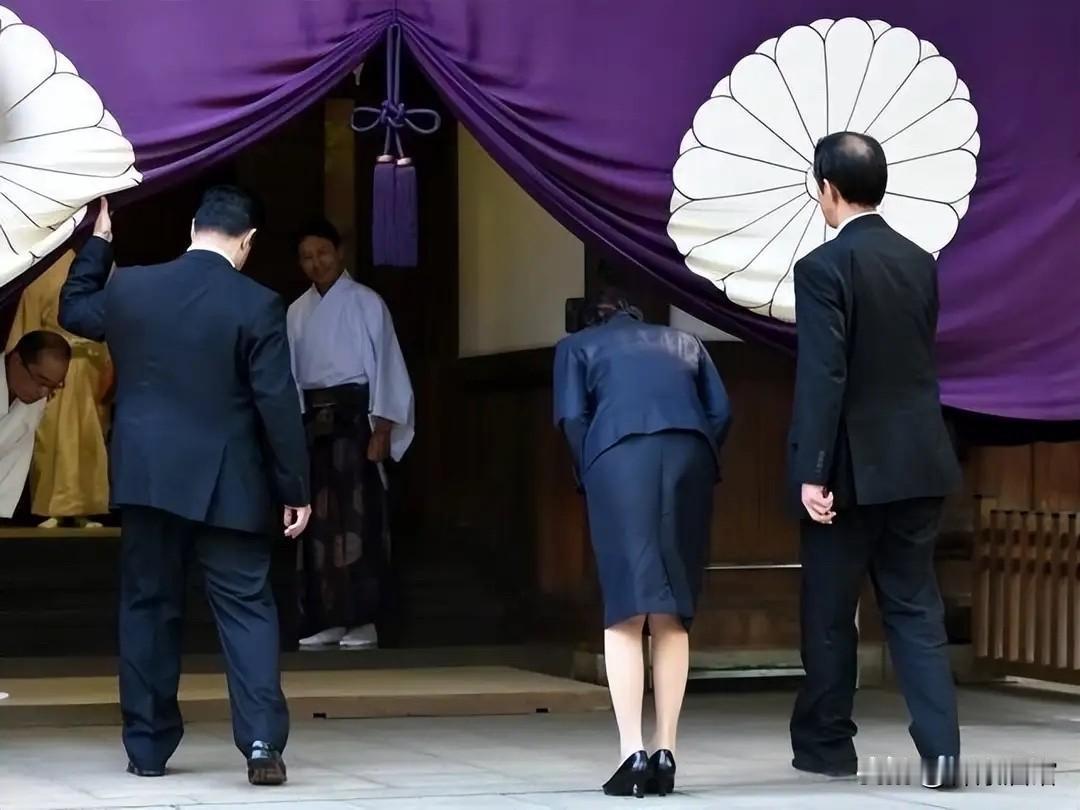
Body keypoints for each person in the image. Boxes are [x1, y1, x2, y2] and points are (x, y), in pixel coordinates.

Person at [59, 190, 312, 787]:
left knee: (148, 608)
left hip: (148, 479)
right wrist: (295, 486)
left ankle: (147, 749)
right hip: (232, 482)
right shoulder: (259, 303)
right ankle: (259, 744)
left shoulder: (132, 289)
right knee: (247, 612)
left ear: (193, 228)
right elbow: (277, 404)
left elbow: (74, 310)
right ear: (247, 242)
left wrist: (100, 242)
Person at [787, 132, 962, 788]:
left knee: (831, 613)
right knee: (916, 609)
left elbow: (824, 376)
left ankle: (828, 748)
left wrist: (812, 471)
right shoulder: (921, 262)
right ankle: (941, 753)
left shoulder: (822, 269)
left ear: (828, 188)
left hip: (850, 471)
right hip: (920, 460)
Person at [553, 289, 731, 798]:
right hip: (690, 452)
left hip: (617, 454)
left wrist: (590, 472)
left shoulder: (577, 347)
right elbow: (720, 413)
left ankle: (632, 751)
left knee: (627, 607)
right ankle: (666, 749)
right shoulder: (686, 341)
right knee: (672, 607)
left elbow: (572, 418)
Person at [286, 218, 414, 651]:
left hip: (357, 420)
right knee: (318, 524)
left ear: (339, 253)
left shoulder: (365, 303)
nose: (315, 263)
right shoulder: (296, 311)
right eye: (306, 257)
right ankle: (326, 618)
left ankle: (364, 620)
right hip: (314, 425)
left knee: (360, 518)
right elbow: (291, 378)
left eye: (322, 253)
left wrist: (383, 426)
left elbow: (389, 367)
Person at [6, 250, 111, 528]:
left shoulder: (106, 268)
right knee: (51, 437)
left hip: (91, 365)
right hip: (52, 369)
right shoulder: (44, 270)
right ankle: (52, 505)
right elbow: (27, 328)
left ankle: (84, 507)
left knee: (87, 439)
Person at [0, 330, 71, 518]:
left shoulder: (35, 401)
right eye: (41, 380)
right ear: (16, 361)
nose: (43, 392)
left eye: (54, 386)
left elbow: (13, 461)